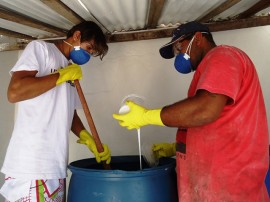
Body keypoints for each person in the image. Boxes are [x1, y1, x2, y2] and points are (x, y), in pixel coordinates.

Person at [113, 21, 269, 201]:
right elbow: (214, 122)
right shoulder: (210, 69)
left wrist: (147, 116)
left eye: (180, 46)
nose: (178, 54)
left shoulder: (223, 56)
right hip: (217, 184)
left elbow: (205, 109)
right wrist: (177, 147)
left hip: (229, 186)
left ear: (199, 38)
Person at [0, 21, 111, 202]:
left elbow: (68, 112)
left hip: (55, 165)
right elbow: (15, 92)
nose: (87, 55)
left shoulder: (70, 68)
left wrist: (87, 138)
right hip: (32, 165)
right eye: (88, 47)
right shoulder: (41, 50)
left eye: (91, 53)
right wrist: (61, 75)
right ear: (76, 36)